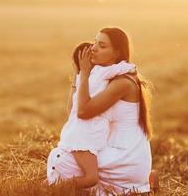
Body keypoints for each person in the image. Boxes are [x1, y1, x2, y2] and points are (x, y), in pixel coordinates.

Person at [47, 27, 154, 195]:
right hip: (116, 149)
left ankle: (62, 188)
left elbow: (83, 112)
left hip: (126, 156)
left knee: (62, 160)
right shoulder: (106, 76)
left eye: (102, 45)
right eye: (95, 42)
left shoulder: (123, 82)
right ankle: (143, 181)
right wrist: (78, 74)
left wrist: (84, 74)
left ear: (117, 53)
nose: (94, 48)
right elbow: (73, 112)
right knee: (64, 154)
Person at [54, 42, 137, 189]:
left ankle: (55, 186)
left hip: (79, 136)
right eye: (91, 51)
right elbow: (75, 111)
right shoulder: (95, 75)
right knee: (91, 177)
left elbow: (73, 111)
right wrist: (131, 67)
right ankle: (56, 187)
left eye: (101, 46)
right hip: (83, 137)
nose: (95, 51)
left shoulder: (89, 78)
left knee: (90, 177)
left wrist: (80, 73)